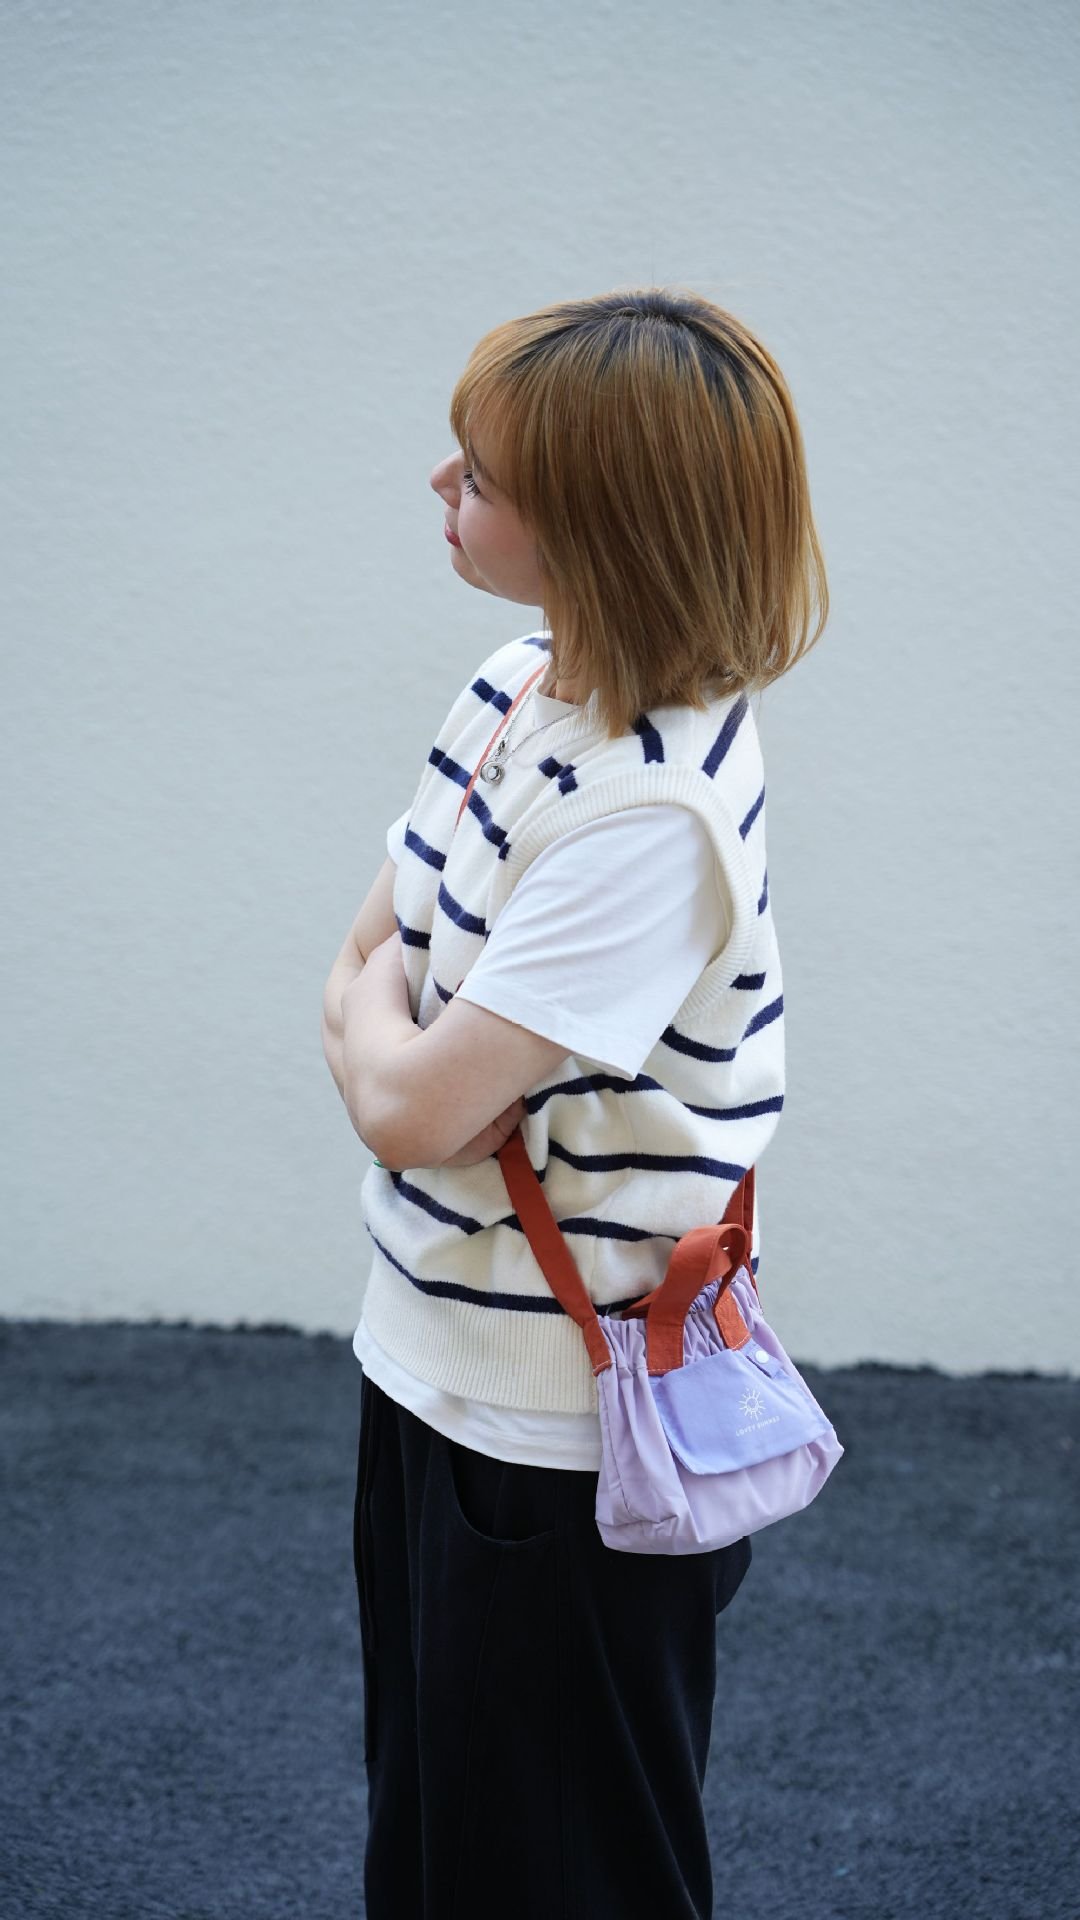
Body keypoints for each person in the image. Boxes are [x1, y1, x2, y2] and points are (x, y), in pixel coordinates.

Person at [321, 285, 829, 1920]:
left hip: (560, 1435)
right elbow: (363, 973)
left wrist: (403, 1061)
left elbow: (405, 1099)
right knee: (434, 1848)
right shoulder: (515, 686)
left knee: (564, 1874)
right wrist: (402, 1058)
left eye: (478, 473)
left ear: (603, 529)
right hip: (425, 1362)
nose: (437, 484)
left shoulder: (647, 814)